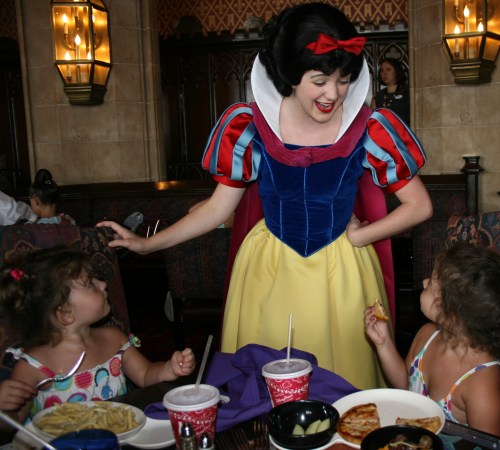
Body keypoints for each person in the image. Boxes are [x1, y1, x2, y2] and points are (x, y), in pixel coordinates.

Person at [98, 2, 432, 390]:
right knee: (266, 388)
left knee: (343, 387)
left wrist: (361, 236)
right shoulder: (250, 126)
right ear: (291, 74)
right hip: (269, 273)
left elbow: (419, 206)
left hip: (341, 273)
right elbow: (217, 209)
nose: (334, 93)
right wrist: (147, 244)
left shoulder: (370, 128)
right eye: (320, 80)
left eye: (343, 80)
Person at [0, 246, 195, 425]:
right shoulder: (33, 366)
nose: (102, 284)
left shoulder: (114, 339)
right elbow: (13, 423)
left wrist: (169, 369)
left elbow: (144, 375)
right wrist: (5, 408)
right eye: (90, 284)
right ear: (65, 314)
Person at [364, 242, 500, 440]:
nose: (424, 282)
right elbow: (405, 386)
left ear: (452, 315)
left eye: (432, 284)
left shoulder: (481, 385)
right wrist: (383, 344)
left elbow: (483, 445)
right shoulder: (427, 334)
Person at [370, 58, 410, 125]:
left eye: (388, 69)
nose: (384, 73)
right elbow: (372, 119)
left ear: (397, 71)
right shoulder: (378, 95)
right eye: (382, 70)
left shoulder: (407, 92)